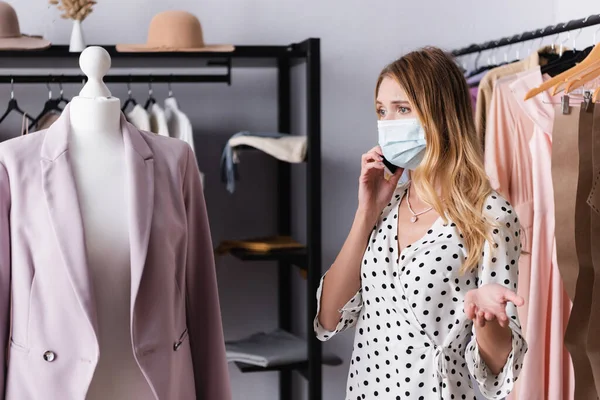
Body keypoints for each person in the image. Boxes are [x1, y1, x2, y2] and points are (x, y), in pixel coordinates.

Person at [314, 47, 527, 400]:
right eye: (382, 111)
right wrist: (366, 213)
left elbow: (496, 374)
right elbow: (329, 320)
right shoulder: (386, 206)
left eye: (402, 109)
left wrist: (487, 319)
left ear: (440, 114)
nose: (389, 123)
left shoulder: (490, 215)